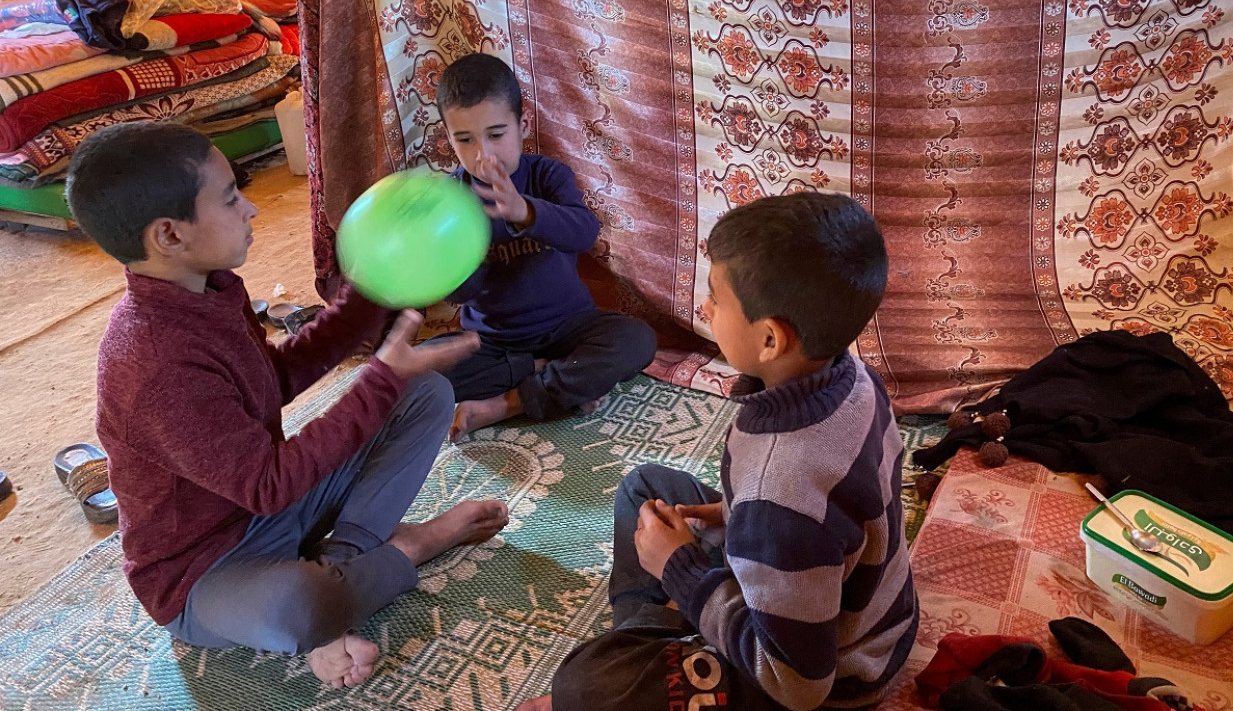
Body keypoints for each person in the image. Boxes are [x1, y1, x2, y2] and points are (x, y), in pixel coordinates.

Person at [64, 121, 510, 689]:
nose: (251, 208)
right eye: (230, 198)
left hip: (275, 511)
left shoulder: (209, 287)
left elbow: (272, 379)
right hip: (207, 569)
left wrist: (369, 293)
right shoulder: (153, 364)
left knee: (424, 392)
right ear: (170, 236)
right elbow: (268, 483)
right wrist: (378, 377)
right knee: (304, 606)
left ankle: (345, 560)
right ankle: (411, 547)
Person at [519, 192, 918, 711]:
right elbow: (836, 508)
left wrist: (681, 573)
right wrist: (731, 516)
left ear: (771, 340)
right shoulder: (852, 377)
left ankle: (656, 633)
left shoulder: (782, 491)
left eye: (715, 298)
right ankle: (663, 626)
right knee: (646, 489)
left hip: (826, 676)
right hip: (833, 591)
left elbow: (799, 684)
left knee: (585, 687)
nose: (704, 309)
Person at [431, 53, 657, 441]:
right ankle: (550, 374)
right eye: (464, 139)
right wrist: (463, 248)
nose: (482, 154)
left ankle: (507, 404)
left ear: (523, 126)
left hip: (568, 328)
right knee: (413, 375)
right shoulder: (449, 200)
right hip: (492, 340)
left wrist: (525, 213)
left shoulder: (548, 175)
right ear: (447, 137)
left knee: (637, 340)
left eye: (496, 134)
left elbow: (584, 233)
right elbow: (459, 294)